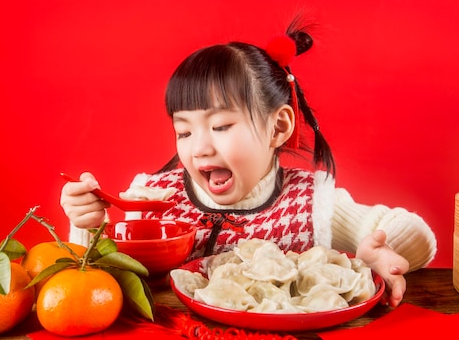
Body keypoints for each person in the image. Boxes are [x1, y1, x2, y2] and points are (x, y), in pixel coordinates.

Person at [60, 18, 437, 307]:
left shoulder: (312, 204)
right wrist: (89, 226)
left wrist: (380, 253)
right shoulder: (152, 198)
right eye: (185, 132)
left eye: (221, 126)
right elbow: (93, 276)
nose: (199, 148)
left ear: (278, 127)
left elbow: (416, 234)